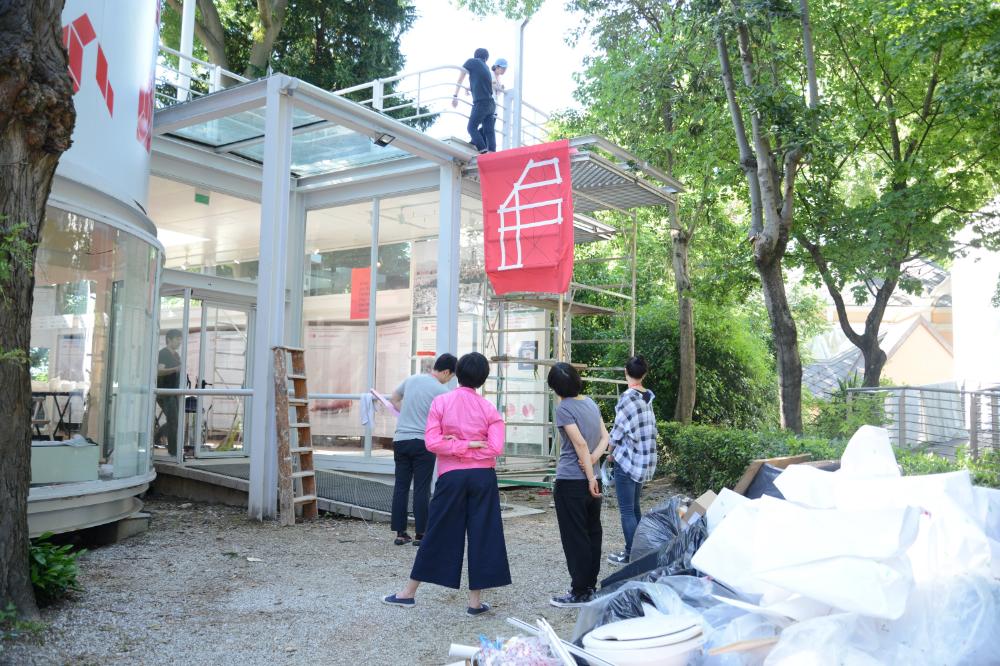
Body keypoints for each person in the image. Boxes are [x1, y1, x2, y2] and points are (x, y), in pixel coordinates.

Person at [383, 352, 510, 616]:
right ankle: (474, 603)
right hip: (483, 477)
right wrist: (473, 444)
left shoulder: (442, 402)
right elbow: (495, 447)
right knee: (484, 535)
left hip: (451, 476)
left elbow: (433, 443)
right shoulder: (489, 409)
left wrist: (456, 445)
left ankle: (408, 593)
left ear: (457, 374)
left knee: (436, 532)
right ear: (483, 378)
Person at [547, 362, 609, 608]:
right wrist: (594, 465)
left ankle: (579, 591)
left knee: (575, 538)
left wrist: (589, 474)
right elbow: (605, 437)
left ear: (555, 387)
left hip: (572, 481)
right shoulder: (591, 403)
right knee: (593, 533)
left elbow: (579, 443)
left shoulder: (564, 408)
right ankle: (589, 586)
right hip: (594, 478)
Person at [388, 353, 457, 546]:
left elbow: (394, 398)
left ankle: (400, 533)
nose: (449, 380)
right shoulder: (442, 392)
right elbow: (447, 420)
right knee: (421, 488)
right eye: (450, 376)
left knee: (401, 486)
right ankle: (421, 534)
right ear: (445, 371)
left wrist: (406, 413)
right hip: (422, 442)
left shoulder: (411, 379)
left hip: (400, 439)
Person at [607, 356, 658, 566]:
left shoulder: (628, 397)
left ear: (626, 373)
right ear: (644, 374)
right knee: (635, 507)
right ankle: (641, 552)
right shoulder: (647, 397)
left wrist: (609, 451)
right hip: (644, 461)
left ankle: (631, 554)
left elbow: (618, 430)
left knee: (627, 511)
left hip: (628, 461)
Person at [451, 48, 496, 154]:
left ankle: (483, 151)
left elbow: (460, 78)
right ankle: (492, 152)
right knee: (489, 130)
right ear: (486, 58)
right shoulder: (486, 68)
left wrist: (455, 96)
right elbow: (481, 82)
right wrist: (470, 87)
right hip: (491, 104)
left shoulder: (472, 62)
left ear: (475, 55)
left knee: (471, 128)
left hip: (481, 103)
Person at [155, 329, 182, 456]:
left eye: (180, 339)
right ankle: (173, 451)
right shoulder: (163, 353)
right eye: (177, 339)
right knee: (173, 420)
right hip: (165, 392)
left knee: (174, 420)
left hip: (175, 392)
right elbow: (159, 371)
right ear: (169, 340)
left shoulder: (176, 355)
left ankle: (157, 437)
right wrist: (175, 369)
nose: (179, 342)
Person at [488, 58, 508, 152]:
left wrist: (500, 87)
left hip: (494, 104)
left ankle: (487, 146)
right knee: (488, 126)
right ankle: (488, 147)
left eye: (505, 69)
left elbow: (497, 90)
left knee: (491, 125)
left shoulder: (498, 77)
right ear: (497, 67)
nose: (504, 70)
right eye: (503, 68)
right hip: (489, 103)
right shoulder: (490, 74)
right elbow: (493, 85)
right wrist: (500, 87)